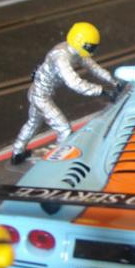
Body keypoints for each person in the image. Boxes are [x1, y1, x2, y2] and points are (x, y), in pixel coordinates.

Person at [11, 22, 123, 164]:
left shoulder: (76, 50)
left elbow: (93, 67)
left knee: (32, 123)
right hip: (40, 96)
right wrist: (102, 91)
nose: (92, 51)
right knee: (64, 130)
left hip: (40, 93)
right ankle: (56, 165)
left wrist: (114, 81)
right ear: (81, 42)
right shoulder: (61, 57)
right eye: (90, 47)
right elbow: (74, 83)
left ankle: (17, 152)